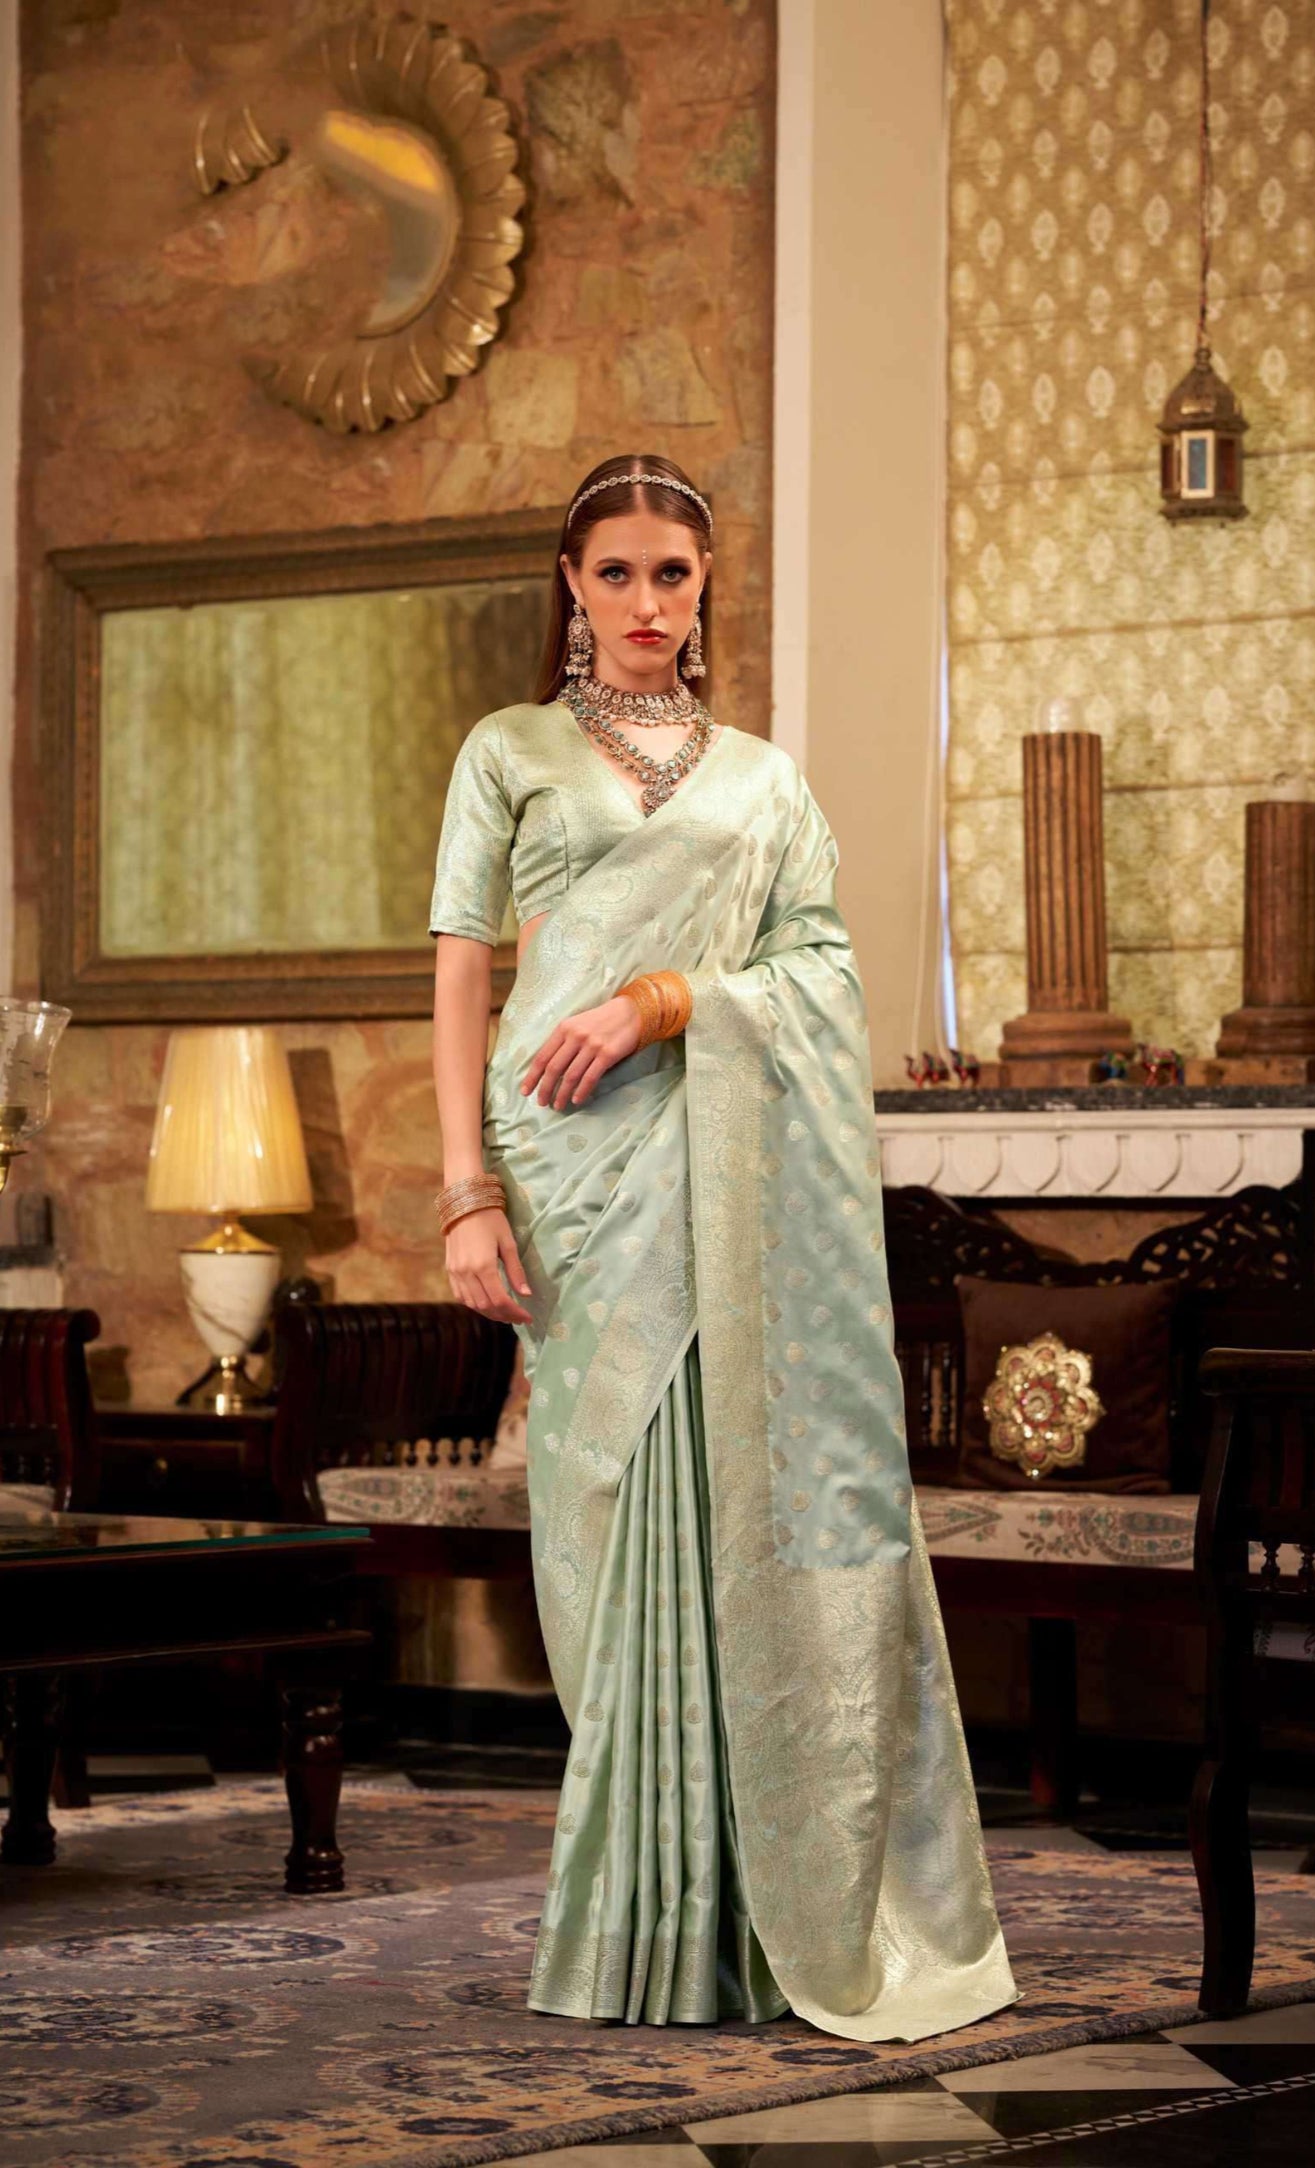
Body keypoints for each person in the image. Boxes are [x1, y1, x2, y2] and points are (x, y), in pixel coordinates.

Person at [429, 453, 1017, 2041]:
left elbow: (821, 971)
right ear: (571, 584)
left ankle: (761, 1914)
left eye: (671, 575)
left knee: (731, 1493)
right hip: (568, 1163)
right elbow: (463, 974)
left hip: (723, 1162)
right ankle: (645, 1914)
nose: (644, 602)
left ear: (705, 590)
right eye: (615, 572)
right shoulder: (508, 752)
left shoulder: (763, 781)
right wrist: (464, 1191)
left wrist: (669, 1000)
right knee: (607, 1505)